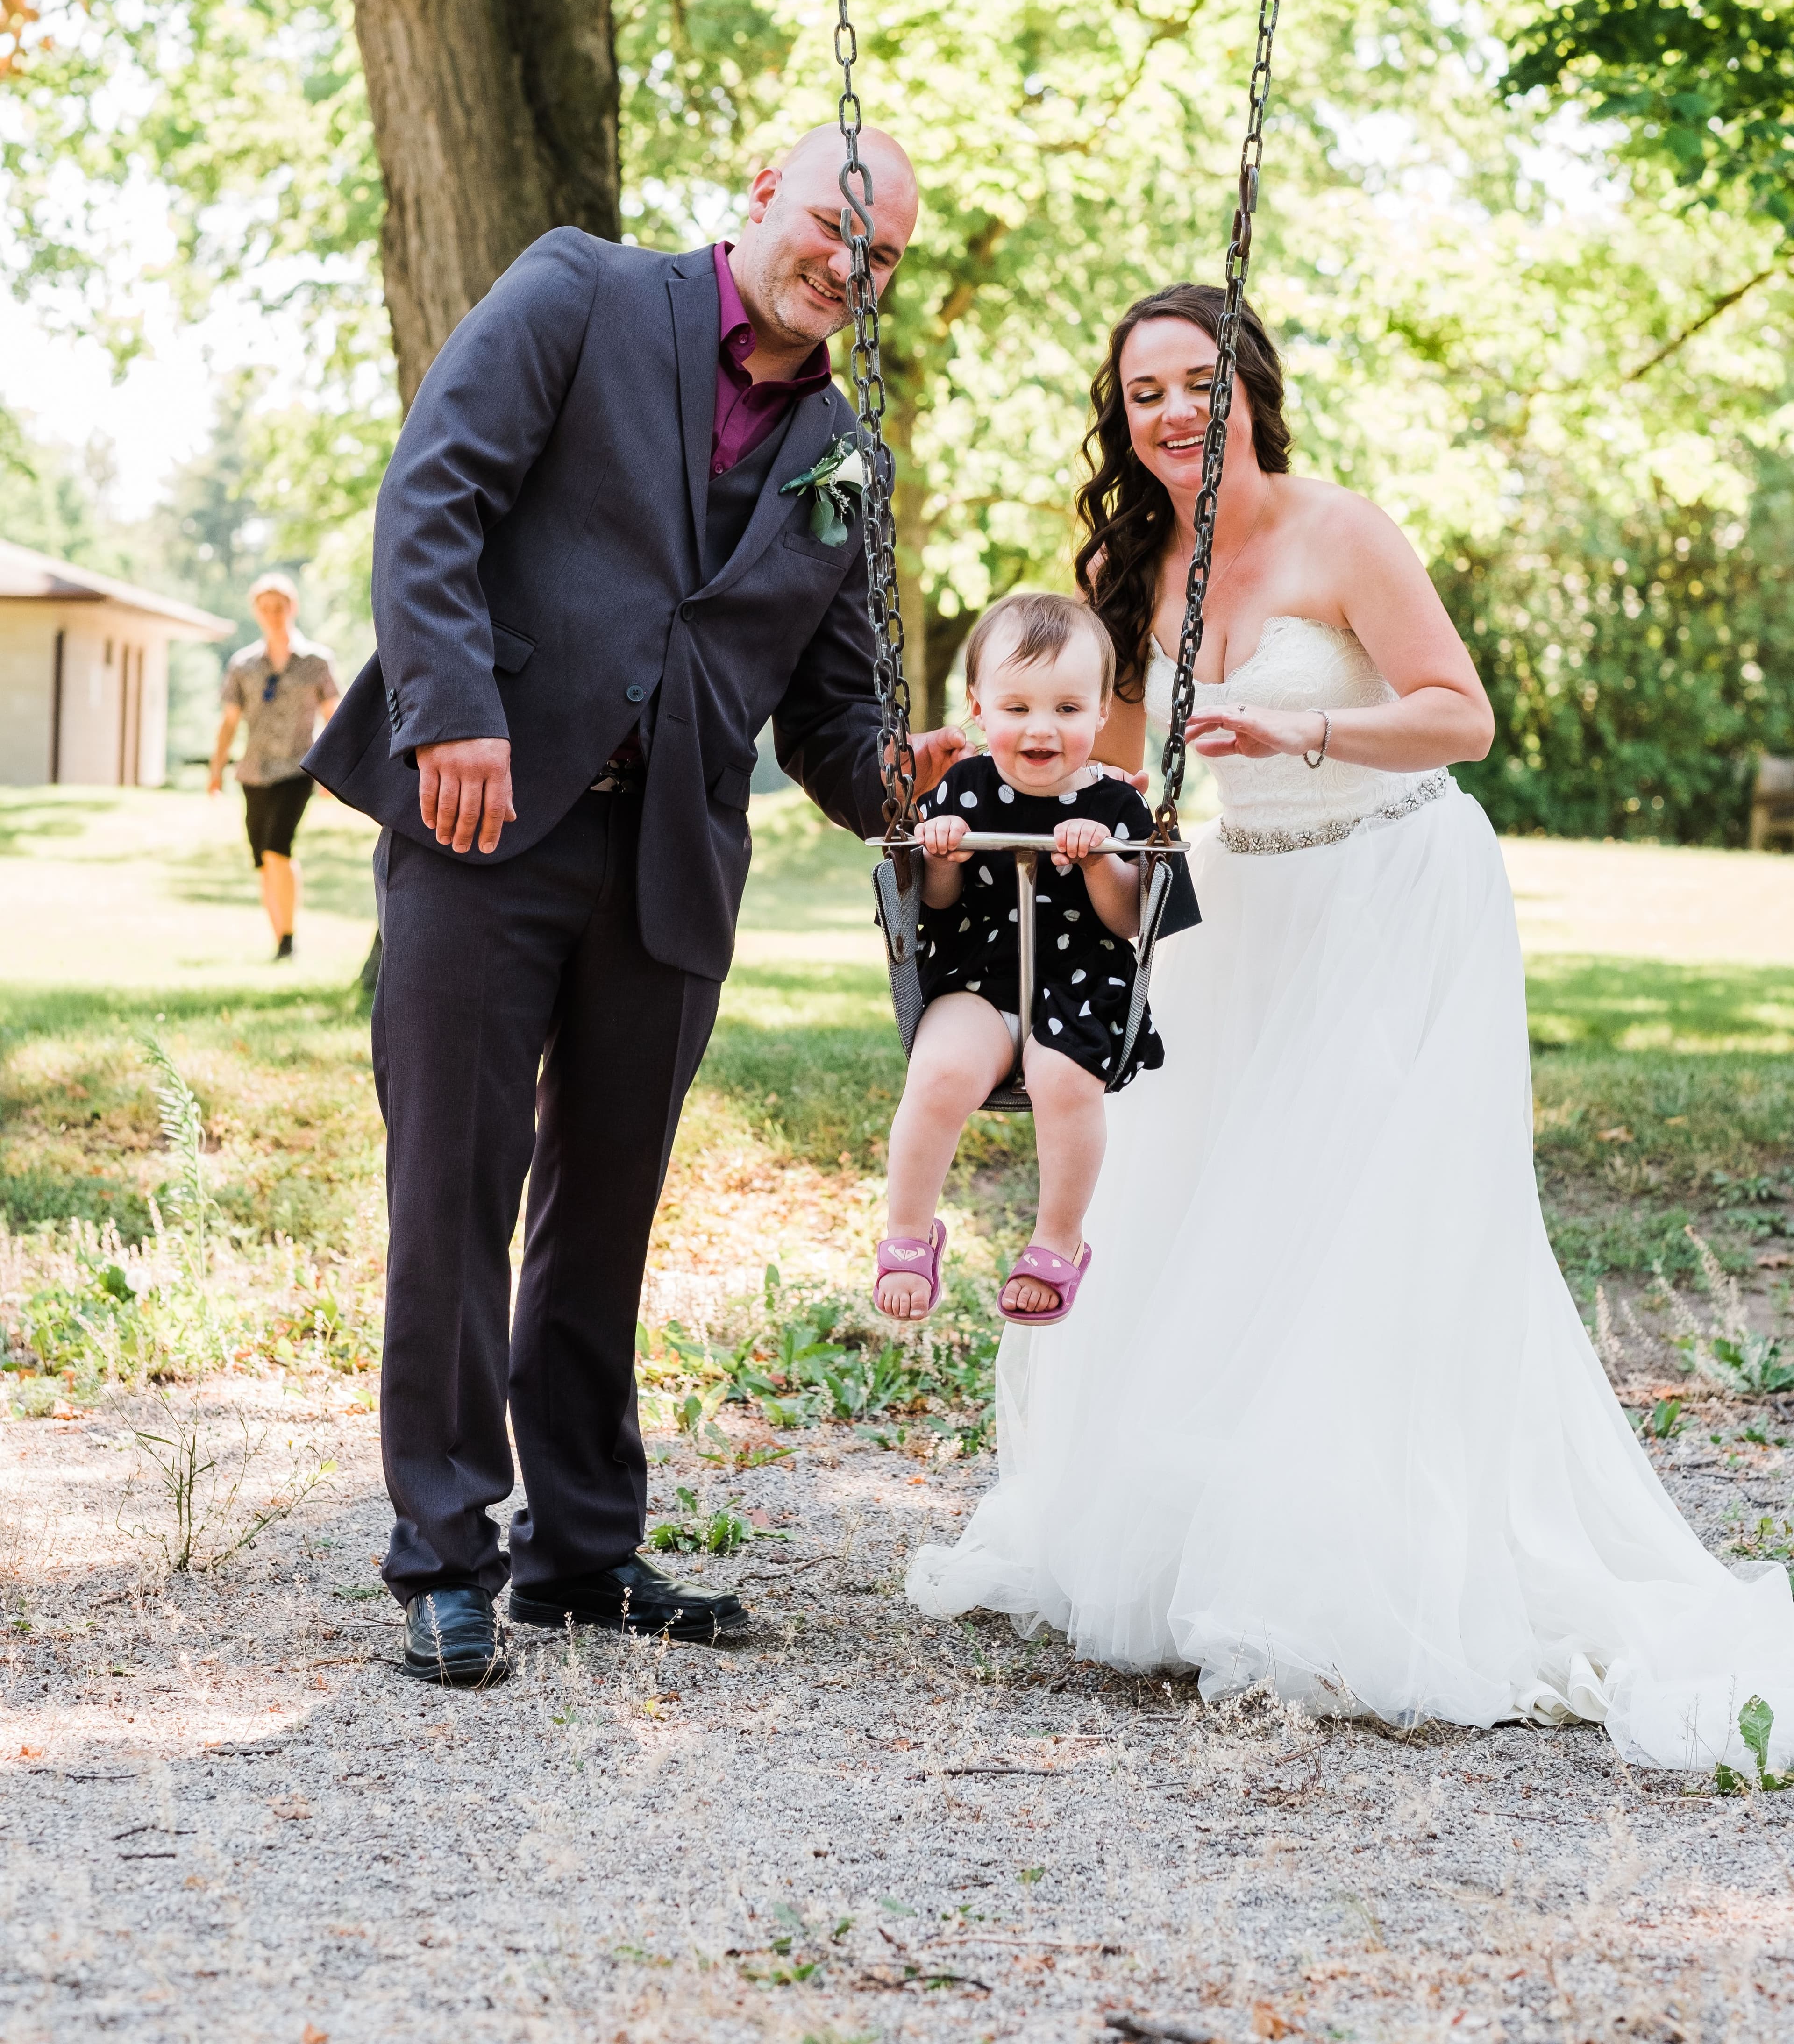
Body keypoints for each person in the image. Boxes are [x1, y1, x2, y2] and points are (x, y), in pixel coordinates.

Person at [909, 280, 1794, 1773]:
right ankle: (1209, 1535)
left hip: (1390, 894)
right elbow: (1115, 759)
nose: (1177, 412)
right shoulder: (1144, 566)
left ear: (1247, 383)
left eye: (1200, 381)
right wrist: (988, 754)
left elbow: (1459, 716)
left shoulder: (1341, 530)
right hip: (1232, 918)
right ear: (1118, 421)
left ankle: (1364, 1561)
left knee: (1370, 1221)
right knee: (1205, 1214)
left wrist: (1304, 728)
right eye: (1145, 394)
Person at [308, 127, 967, 1688]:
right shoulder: (578, 291)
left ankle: (583, 1555)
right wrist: (448, 705)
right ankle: (447, 1557)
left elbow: (831, 720)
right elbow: (435, 496)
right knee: (455, 1197)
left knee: (605, 1210)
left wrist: (905, 780)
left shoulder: (849, 461)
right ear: (762, 197)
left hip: (670, 859)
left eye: (879, 259)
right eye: (831, 227)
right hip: (488, 816)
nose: (848, 267)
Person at [875, 591, 1160, 1330]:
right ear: (979, 708)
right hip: (978, 973)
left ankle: (1057, 1239)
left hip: (1084, 983)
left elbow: (1131, 920)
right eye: (1018, 707)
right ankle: (908, 1232)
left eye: (1068, 709)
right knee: (939, 1072)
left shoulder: (1119, 806)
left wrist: (1101, 859)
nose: (1042, 729)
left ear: (1102, 714)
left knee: (1064, 1078)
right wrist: (944, 852)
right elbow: (936, 903)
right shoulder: (963, 788)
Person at [209, 572, 339, 961]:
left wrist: (335, 772)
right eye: (265, 609)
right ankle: (278, 935)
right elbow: (229, 721)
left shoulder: (317, 662)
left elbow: (335, 716)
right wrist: (216, 769)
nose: (274, 615)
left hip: (299, 769)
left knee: (279, 847)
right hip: (253, 772)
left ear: (293, 608)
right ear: (256, 613)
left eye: (280, 607)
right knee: (264, 858)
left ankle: (289, 939)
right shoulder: (243, 664)